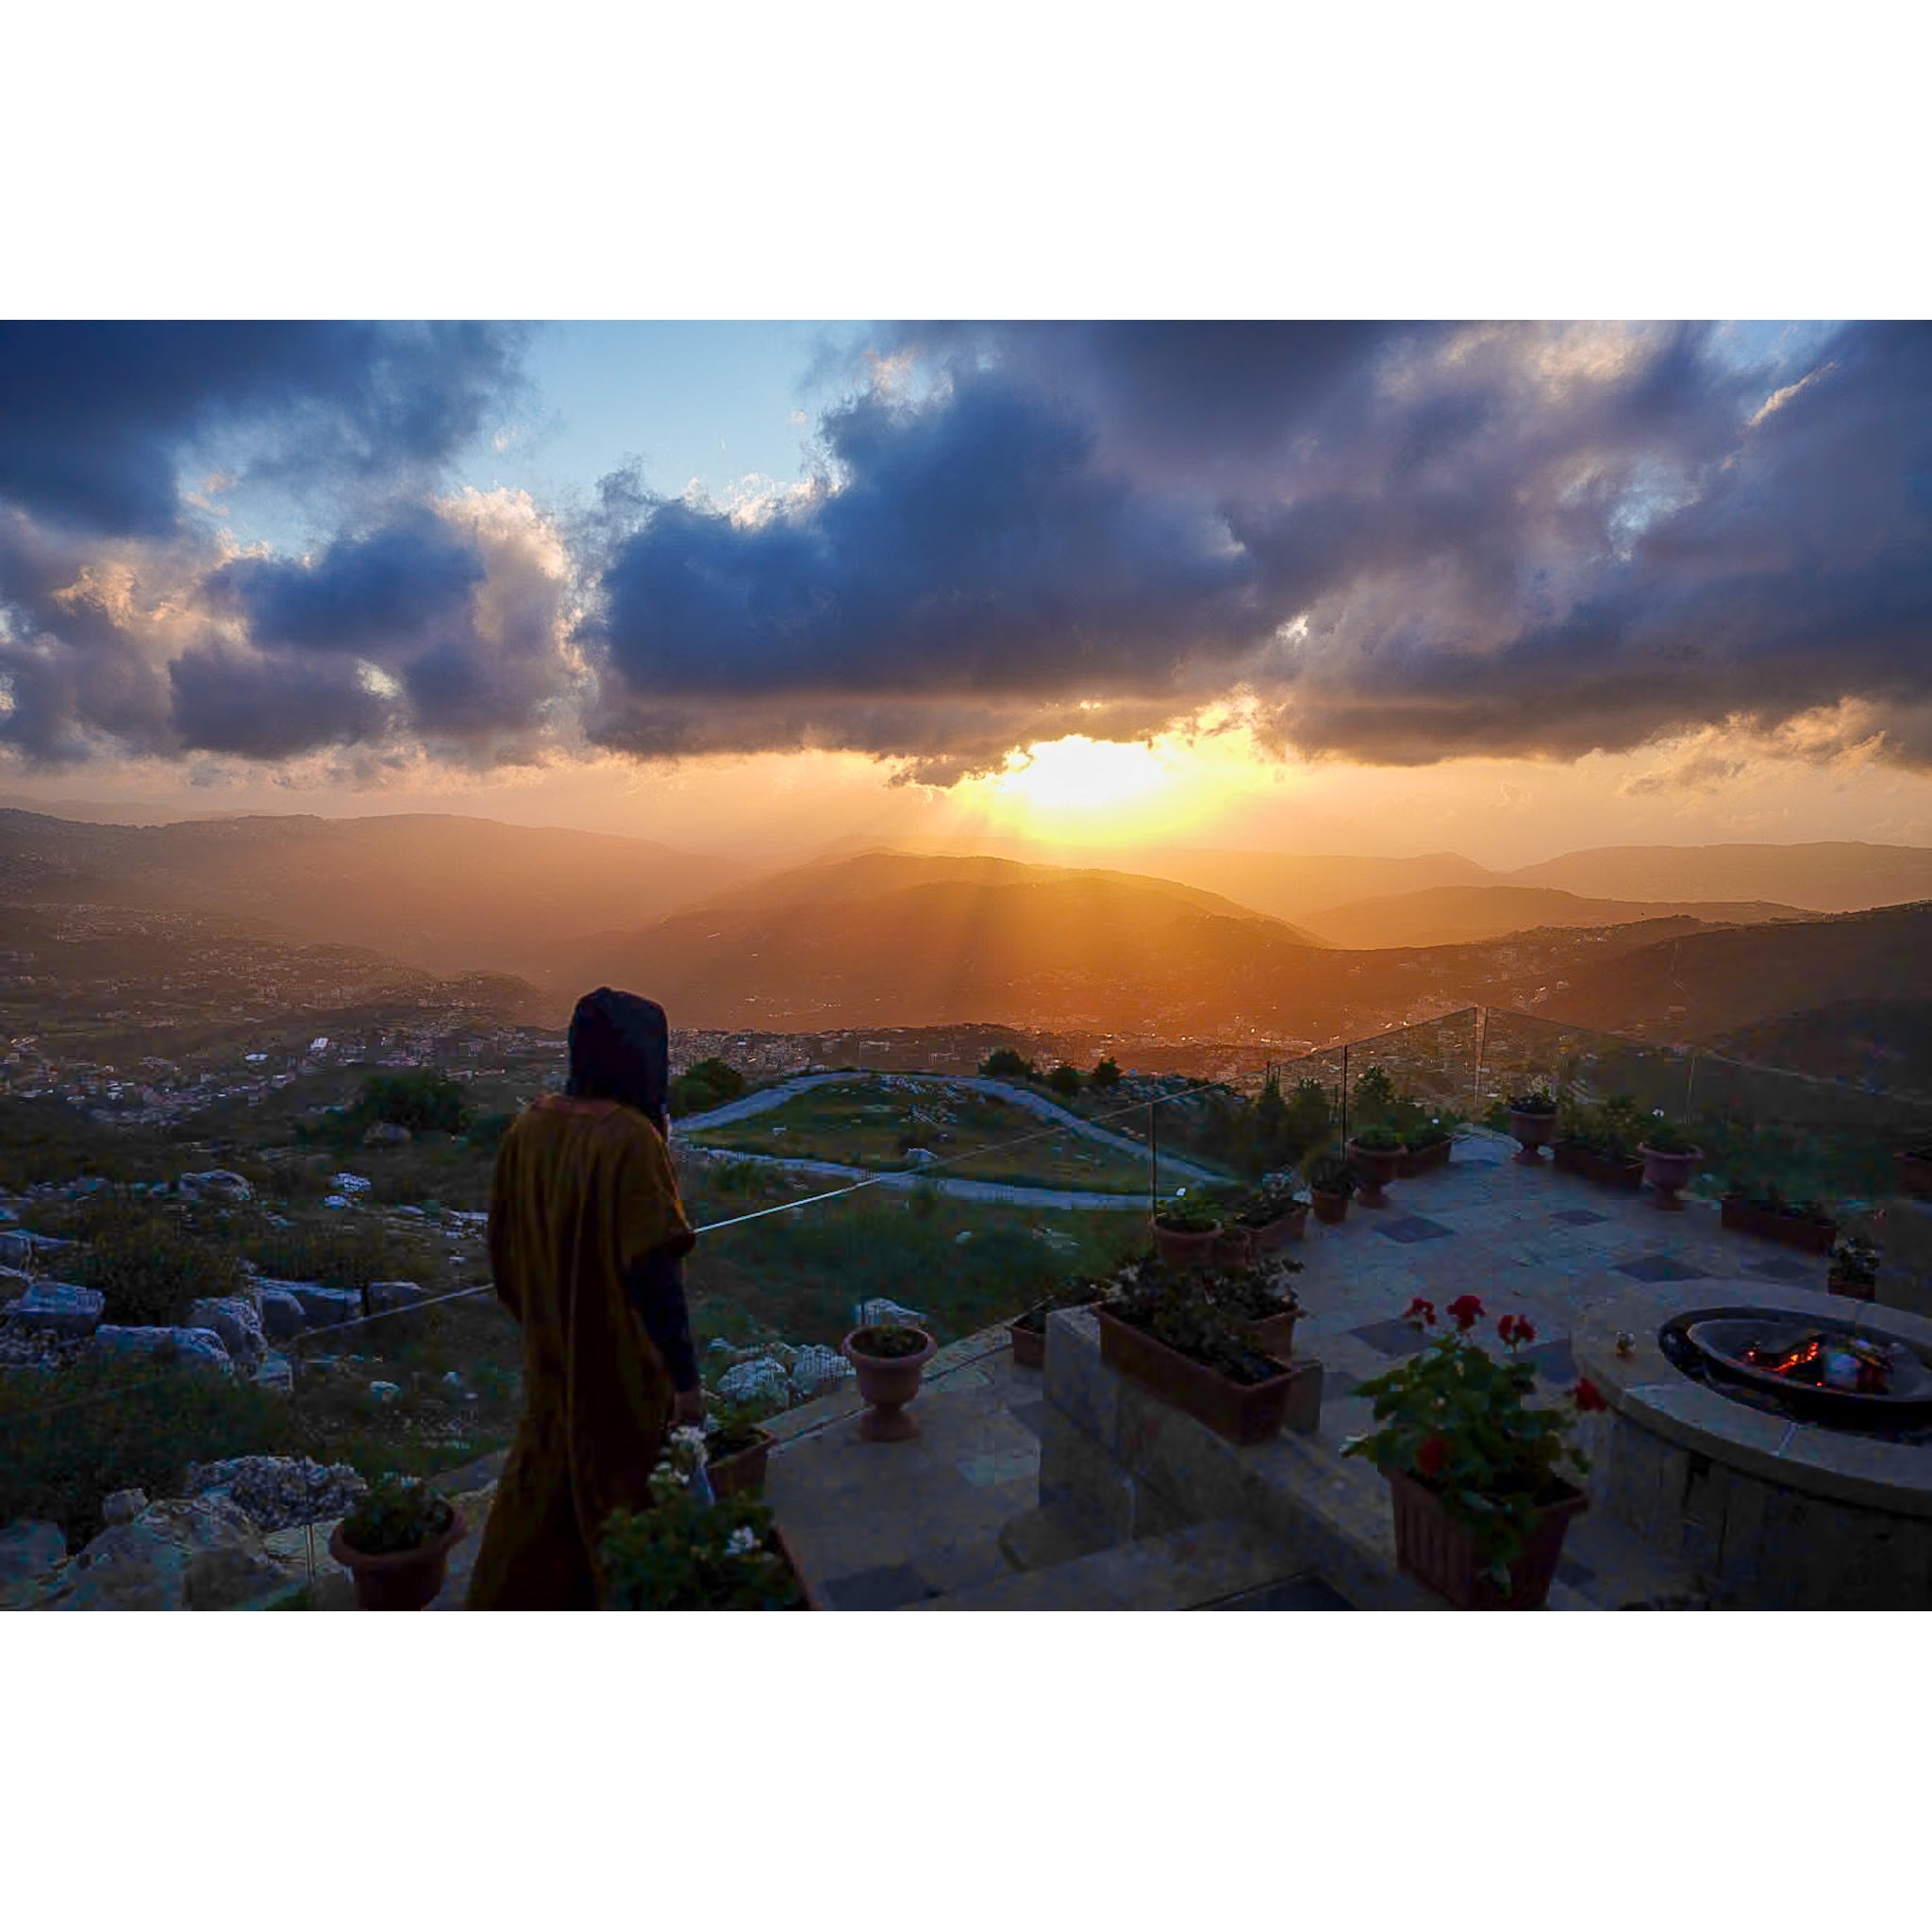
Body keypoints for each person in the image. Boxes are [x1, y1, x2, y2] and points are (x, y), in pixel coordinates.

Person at [467, 988, 704, 1609]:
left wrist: (549, 1321)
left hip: (550, 1363)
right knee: (623, 1517)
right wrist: (685, 1382)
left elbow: (505, 1253)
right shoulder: (629, 1139)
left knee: (539, 1509)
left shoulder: (529, 1126)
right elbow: (655, 1274)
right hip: (619, 1374)